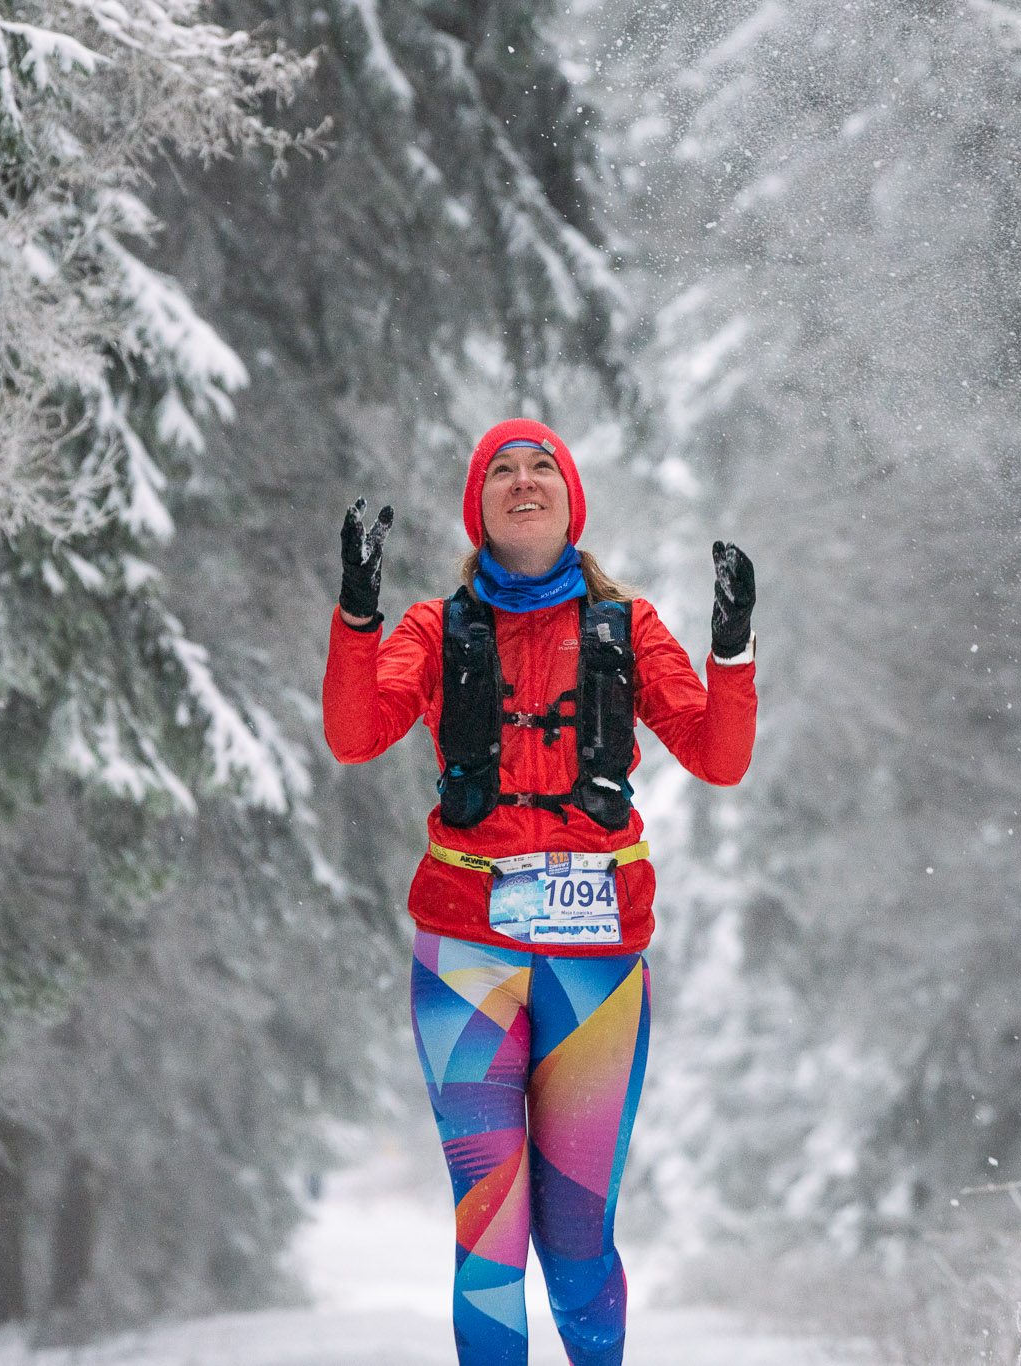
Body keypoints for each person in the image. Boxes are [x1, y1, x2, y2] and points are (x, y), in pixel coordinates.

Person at [320, 418, 757, 1366]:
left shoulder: (627, 627)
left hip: (595, 964)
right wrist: (359, 614)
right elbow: (355, 735)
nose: (524, 481)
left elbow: (719, 758)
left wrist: (731, 649)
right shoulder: (437, 629)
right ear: (478, 508)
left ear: (571, 499)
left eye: (541, 468)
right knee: (489, 1233)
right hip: (464, 952)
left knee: (573, 1238)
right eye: (503, 472)